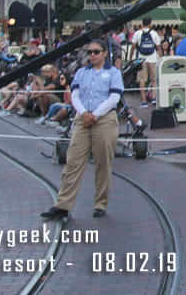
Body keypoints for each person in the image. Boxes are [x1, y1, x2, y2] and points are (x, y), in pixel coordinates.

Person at [41, 38, 124, 220]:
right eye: (89, 52)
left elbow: (114, 98)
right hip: (83, 118)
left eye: (96, 52)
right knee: (73, 162)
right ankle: (62, 205)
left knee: (103, 162)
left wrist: (95, 114)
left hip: (104, 119)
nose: (92, 55)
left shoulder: (113, 73)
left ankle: (100, 203)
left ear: (104, 53)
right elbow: (75, 95)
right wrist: (84, 113)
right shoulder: (81, 73)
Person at [130, 17, 161, 106]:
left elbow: (133, 46)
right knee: (153, 79)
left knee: (142, 80)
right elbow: (158, 47)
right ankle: (154, 98)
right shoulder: (154, 33)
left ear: (142, 23)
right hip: (152, 59)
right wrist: (161, 56)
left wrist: (131, 57)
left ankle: (144, 101)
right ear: (150, 23)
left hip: (141, 59)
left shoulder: (138, 33)